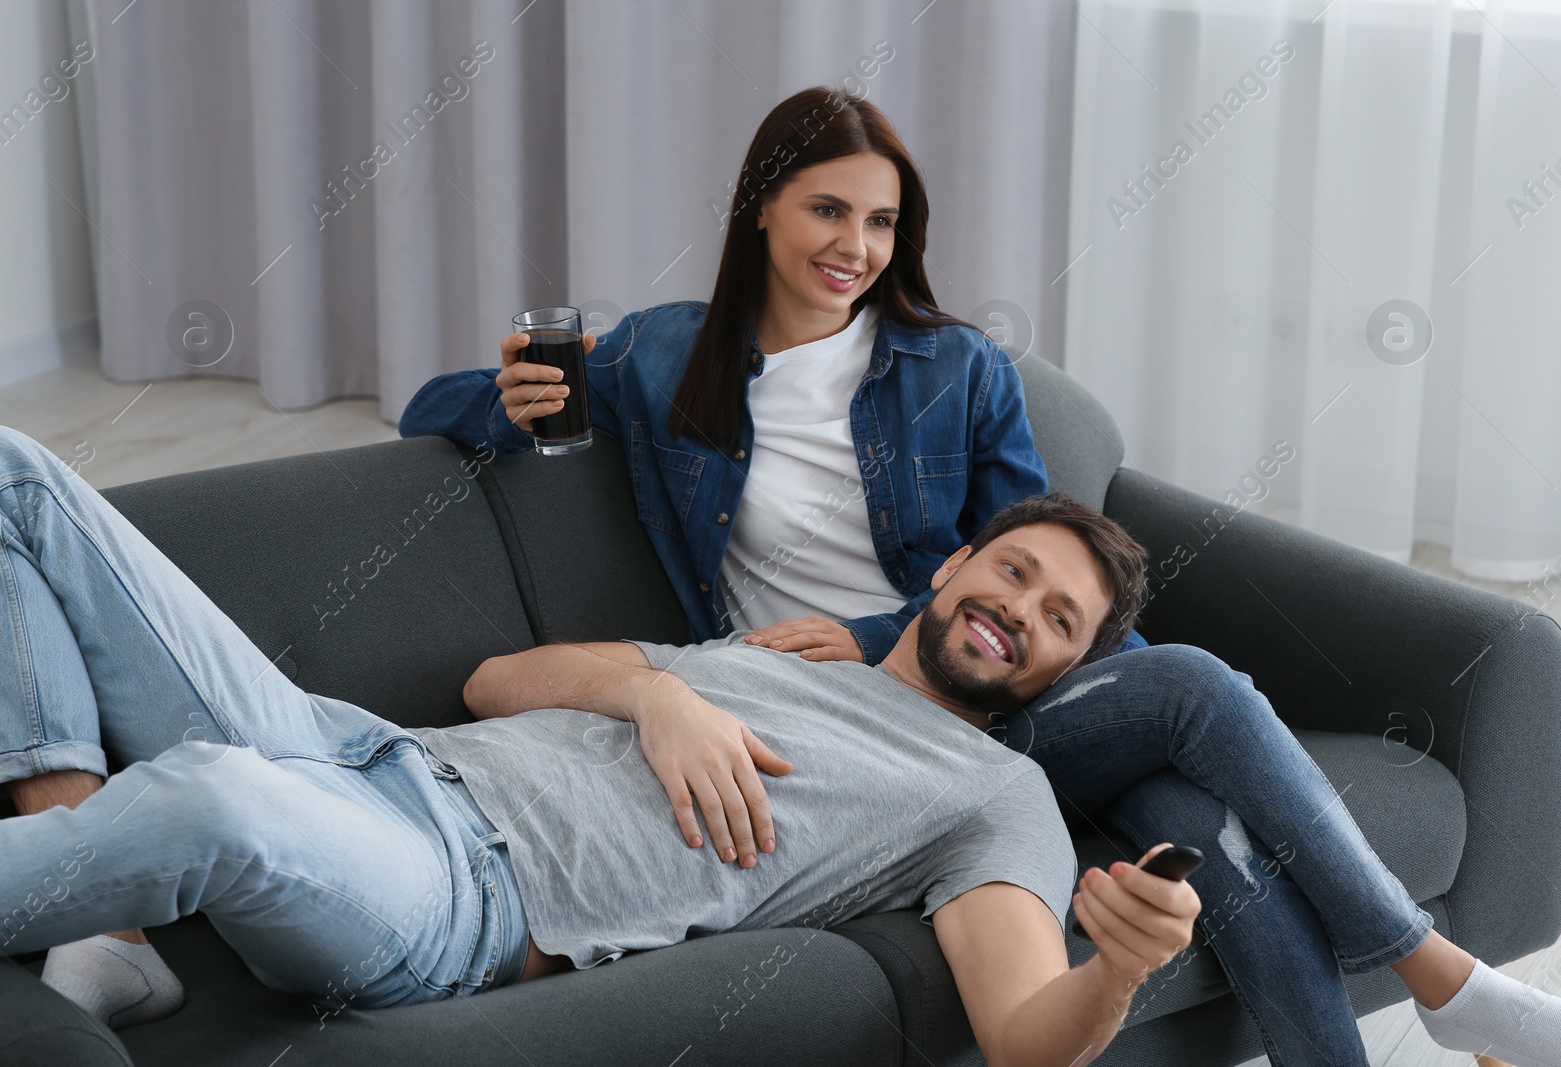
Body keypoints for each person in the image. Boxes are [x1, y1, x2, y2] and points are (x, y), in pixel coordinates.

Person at [395, 84, 1447, 1062]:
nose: (855, 246)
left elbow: (1029, 562)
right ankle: (1435, 975)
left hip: (966, 691)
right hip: (822, 719)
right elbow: (429, 416)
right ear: (760, 208)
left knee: (1181, 684)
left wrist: (867, 630)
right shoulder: (661, 356)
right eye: (826, 210)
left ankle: (1431, 969)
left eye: (881, 223)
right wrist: (509, 399)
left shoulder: (956, 369)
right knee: (1186, 809)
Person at [2, 427, 1561, 1065]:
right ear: (958, 565)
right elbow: (494, 674)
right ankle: (91, 875)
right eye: (1014, 575)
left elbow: (1025, 1030)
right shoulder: (782, 646)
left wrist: (1115, 966)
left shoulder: (999, 797)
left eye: (1055, 624)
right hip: (359, 745)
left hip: (449, 893)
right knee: (20, 473)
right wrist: (663, 687)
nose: (1018, 614)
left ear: (1062, 672)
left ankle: (87, 871)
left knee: (206, 794)